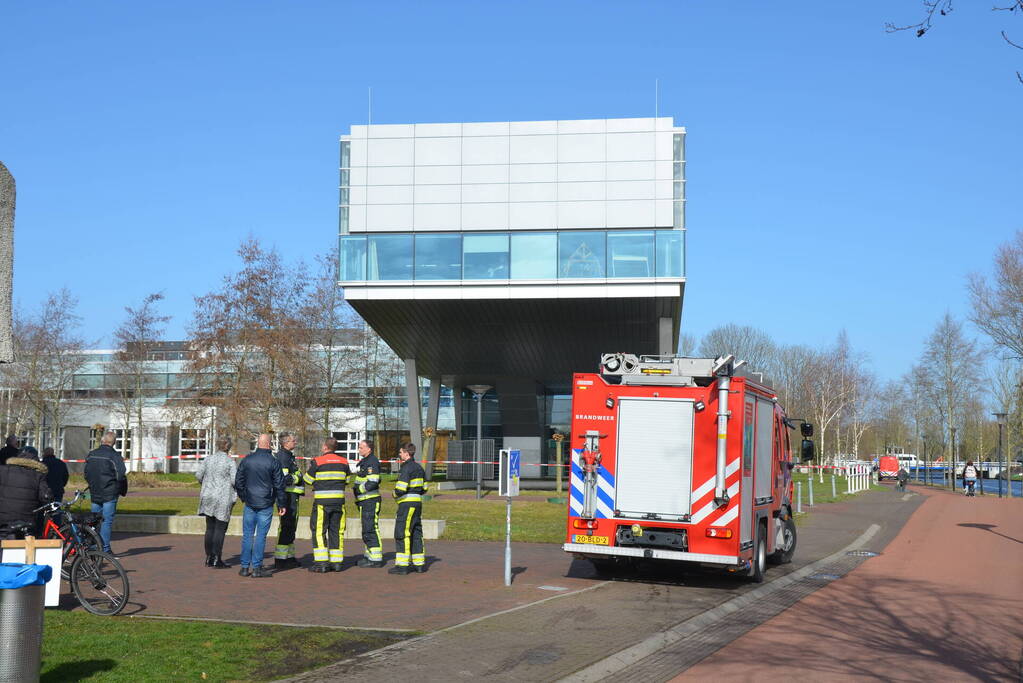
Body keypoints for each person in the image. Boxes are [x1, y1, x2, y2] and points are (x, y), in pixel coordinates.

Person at [234, 433, 287, 578]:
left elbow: (238, 481)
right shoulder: (273, 461)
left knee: (247, 536)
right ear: (269, 444)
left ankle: (245, 567)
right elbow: (279, 485)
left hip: (250, 502)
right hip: (266, 502)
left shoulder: (247, 459)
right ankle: (257, 568)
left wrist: (244, 496)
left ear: (258, 443)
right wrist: (281, 504)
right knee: (260, 536)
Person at [303, 437, 351, 573]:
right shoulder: (344, 462)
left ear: (325, 447)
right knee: (337, 531)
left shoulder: (318, 461)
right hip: (339, 503)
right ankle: (336, 563)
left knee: (319, 531)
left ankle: (321, 563)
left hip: (322, 503)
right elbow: (347, 480)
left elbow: (307, 480)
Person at [196, 436, 238, 568]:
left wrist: (207, 483)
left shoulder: (208, 459)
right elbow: (234, 480)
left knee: (210, 527)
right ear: (229, 447)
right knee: (220, 528)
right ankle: (216, 557)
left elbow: (198, 475)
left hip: (208, 496)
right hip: (222, 497)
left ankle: (208, 557)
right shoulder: (230, 462)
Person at [84, 431, 127, 555]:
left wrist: (92, 484)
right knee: (106, 521)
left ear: (103, 441)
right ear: (113, 442)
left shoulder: (91, 455)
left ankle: (93, 546)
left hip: (95, 491)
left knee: (94, 520)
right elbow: (120, 475)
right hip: (109, 493)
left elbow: (86, 473)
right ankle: (105, 549)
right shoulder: (115, 456)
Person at [390, 442, 427, 575]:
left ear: (406, 453)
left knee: (402, 532)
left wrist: (393, 494)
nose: (399, 455)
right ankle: (419, 564)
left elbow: (400, 489)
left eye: (400, 452)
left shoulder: (406, 468)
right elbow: (425, 488)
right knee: (416, 532)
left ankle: (402, 565)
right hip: (418, 503)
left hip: (406, 504)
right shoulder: (419, 468)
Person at [0, 447, 51, 538]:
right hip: (26, 521)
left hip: (3, 520)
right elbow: (45, 497)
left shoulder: (3, 471)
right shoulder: (38, 475)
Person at [273, 432, 304, 569]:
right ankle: (281, 560)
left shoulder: (289, 456)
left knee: (291, 527)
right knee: (286, 526)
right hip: (287, 497)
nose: (295, 442)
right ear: (285, 443)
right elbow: (285, 479)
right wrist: (298, 478)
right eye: (293, 440)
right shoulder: (283, 457)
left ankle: (289, 557)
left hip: (292, 497)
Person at [353, 438, 384, 568]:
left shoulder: (372, 462)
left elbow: (373, 482)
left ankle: (376, 559)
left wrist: (359, 490)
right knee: (367, 529)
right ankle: (369, 556)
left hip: (370, 501)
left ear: (369, 449)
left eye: (361, 447)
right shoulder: (366, 461)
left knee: (371, 528)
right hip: (365, 501)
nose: (359, 449)